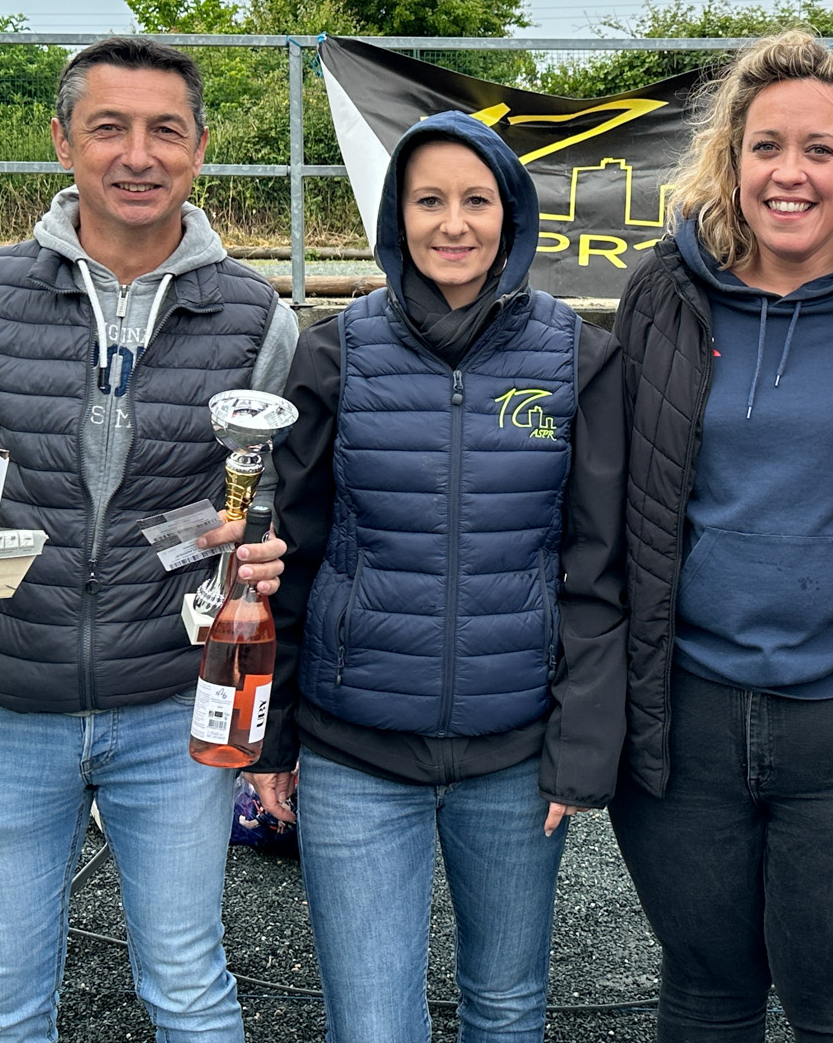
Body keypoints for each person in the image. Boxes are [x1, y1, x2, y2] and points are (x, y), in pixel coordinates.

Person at [0, 35, 299, 1042]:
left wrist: (249, 545)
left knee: (189, 985)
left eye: (165, 130)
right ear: (62, 141)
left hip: (172, 703)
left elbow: (255, 508)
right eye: (108, 128)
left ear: (200, 148)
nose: (138, 155)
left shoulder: (257, 315)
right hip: (7, 702)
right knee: (4, 1001)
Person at [611, 30, 833, 1042]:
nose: (790, 173)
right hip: (687, 720)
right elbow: (615, 494)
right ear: (732, 158)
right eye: (766, 146)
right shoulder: (663, 294)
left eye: (819, 149)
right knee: (705, 1000)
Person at [247, 112, 626, 1043]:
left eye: (476, 201)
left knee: (506, 1007)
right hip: (356, 754)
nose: (453, 224)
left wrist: (580, 747)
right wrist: (272, 737)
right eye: (428, 201)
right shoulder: (334, 354)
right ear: (396, 217)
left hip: (515, 756)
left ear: (513, 215)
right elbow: (289, 559)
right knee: (373, 1023)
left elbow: (597, 567)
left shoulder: (578, 357)